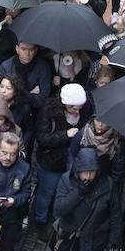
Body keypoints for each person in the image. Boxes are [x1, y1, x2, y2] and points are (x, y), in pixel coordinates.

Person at [52, 146, 121, 251]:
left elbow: (115, 213)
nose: (88, 176)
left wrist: (114, 239)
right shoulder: (66, 181)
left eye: (92, 171)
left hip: (97, 237)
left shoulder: (108, 184)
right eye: (85, 172)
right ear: (77, 171)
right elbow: (59, 209)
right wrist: (78, 194)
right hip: (72, 238)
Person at [33, 85, 84, 239]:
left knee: (61, 194)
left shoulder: (84, 110)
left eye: (79, 109)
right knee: (46, 193)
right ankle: (40, 221)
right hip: (51, 162)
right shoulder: (48, 112)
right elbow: (43, 138)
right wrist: (66, 135)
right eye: (74, 109)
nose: (77, 112)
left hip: (71, 163)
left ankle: (57, 223)